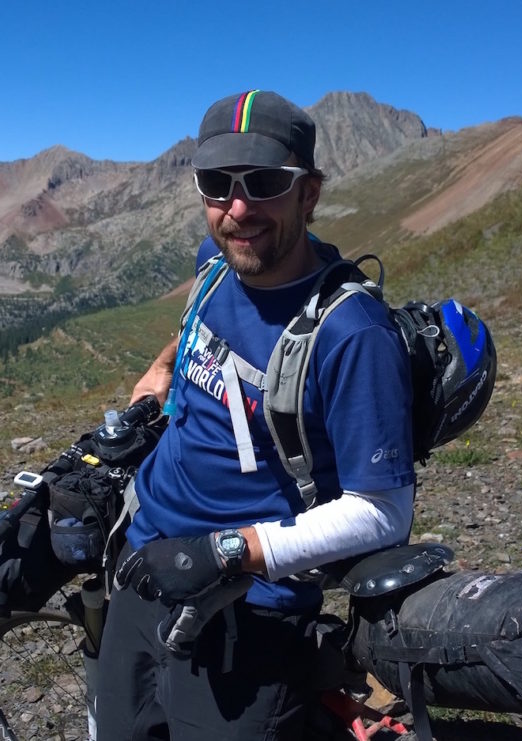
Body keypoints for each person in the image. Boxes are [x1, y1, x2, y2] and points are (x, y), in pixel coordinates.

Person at [96, 89, 417, 740]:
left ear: (309, 192)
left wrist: (234, 551)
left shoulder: (353, 333)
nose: (237, 209)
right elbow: (200, 334)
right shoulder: (213, 266)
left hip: (248, 612)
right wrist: (161, 369)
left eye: (264, 183)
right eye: (218, 184)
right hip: (141, 564)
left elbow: (385, 509)